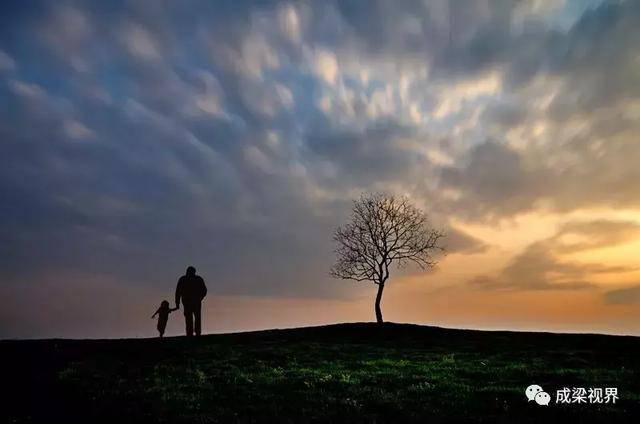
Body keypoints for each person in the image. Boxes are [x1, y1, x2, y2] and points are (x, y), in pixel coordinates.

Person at [175, 266, 207, 336]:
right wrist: (177, 303)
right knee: (191, 317)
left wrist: (200, 298)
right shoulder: (185, 279)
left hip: (192, 301)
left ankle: (194, 333)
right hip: (189, 302)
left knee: (192, 317)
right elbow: (178, 292)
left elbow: (204, 290)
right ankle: (193, 333)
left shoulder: (184, 279)